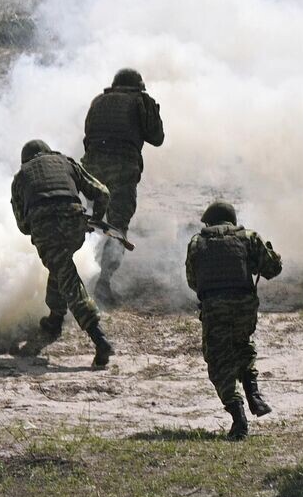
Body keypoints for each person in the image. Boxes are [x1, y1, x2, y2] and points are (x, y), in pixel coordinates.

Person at [11, 139, 114, 367]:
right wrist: (96, 218)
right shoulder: (67, 163)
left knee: (67, 277)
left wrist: (40, 224)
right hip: (74, 223)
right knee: (62, 267)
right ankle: (55, 319)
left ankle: (100, 339)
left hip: (46, 228)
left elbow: (22, 225)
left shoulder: (20, 178)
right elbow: (103, 192)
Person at [185, 200, 282, 440]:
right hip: (244, 308)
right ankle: (254, 395)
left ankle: (239, 419)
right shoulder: (248, 237)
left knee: (219, 363)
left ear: (209, 222)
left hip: (215, 308)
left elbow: (193, 281)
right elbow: (273, 269)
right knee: (243, 346)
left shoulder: (197, 243)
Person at [81, 68, 164, 305]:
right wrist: (151, 109)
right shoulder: (139, 101)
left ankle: (80, 273)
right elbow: (157, 137)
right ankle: (103, 283)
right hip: (122, 169)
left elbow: (88, 137)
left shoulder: (98, 101)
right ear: (137, 86)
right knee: (117, 227)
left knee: (92, 222)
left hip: (91, 169)